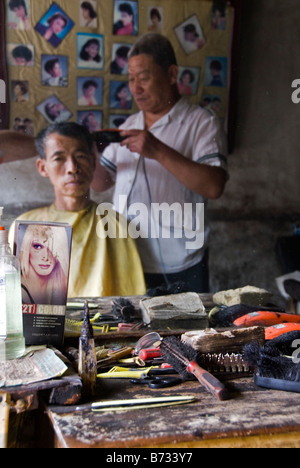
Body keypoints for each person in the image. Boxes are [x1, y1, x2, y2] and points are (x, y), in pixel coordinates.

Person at [93, 33, 228, 293]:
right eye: (131, 79)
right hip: (129, 256)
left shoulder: (201, 123)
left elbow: (214, 186)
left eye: (144, 77)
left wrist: (157, 150)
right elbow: (101, 182)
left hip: (182, 262)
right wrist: (90, 151)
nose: (136, 88)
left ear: (172, 74)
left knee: (184, 333)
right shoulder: (129, 125)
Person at [7, 122, 146, 298]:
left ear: (94, 163)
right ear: (43, 167)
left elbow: (128, 298)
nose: (72, 168)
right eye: (59, 158)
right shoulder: (26, 226)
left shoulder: (115, 224)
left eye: (80, 156)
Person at [19, 224, 69, 305]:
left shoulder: (60, 285)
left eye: (52, 248)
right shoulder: (17, 289)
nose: (45, 257)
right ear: (27, 248)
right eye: (38, 246)